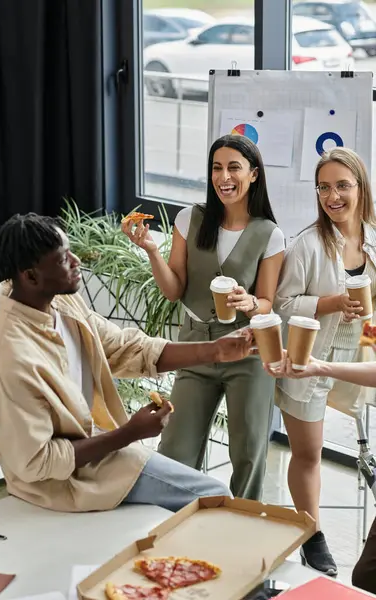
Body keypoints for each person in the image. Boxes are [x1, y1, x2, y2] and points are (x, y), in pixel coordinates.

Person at [0, 213, 258, 514]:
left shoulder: (60, 303)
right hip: (66, 483)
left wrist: (215, 351)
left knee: (206, 499)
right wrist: (129, 433)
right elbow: (38, 463)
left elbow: (126, 348)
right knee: (214, 497)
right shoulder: (9, 360)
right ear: (30, 276)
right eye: (62, 259)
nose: (77, 261)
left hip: (101, 449)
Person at [122, 135, 285, 500]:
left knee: (248, 454)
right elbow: (173, 289)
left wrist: (249, 301)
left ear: (254, 174)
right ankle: (173, 527)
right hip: (196, 344)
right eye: (217, 167)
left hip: (248, 350)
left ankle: (239, 532)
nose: (223, 176)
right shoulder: (189, 219)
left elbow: (267, 303)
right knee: (176, 451)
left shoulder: (270, 234)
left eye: (233, 167)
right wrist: (152, 250)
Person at [273, 147, 376, 576]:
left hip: (362, 353)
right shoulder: (307, 245)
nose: (332, 196)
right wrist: (334, 302)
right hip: (310, 354)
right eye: (324, 187)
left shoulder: (372, 237)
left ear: (360, 187)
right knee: (309, 452)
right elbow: (282, 304)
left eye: (342, 186)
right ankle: (312, 533)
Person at [263, 353, 376, 596]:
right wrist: (320, 367)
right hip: (315, 360)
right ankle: (311, 537)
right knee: (366, 577)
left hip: (338, 354)